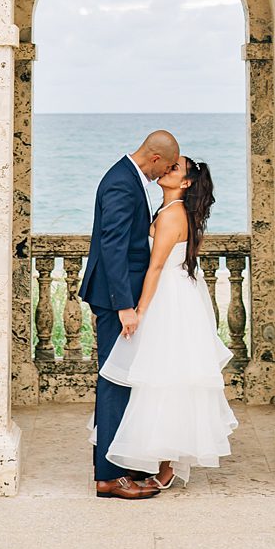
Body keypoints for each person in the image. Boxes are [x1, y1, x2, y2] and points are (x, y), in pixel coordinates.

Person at [97, 153, 237, 488]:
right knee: (161, 376)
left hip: (167, 298)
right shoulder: (169, 211)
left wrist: (139, 310)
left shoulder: (173, 215)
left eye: (176, 168)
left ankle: (167, 465)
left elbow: (156, 266)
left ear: (186, 183)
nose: (169, 168)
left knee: (165, 377)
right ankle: (156, 458)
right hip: (172, 294)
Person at [80, 129, 179, 500]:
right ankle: (108, 477)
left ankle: (118, 461)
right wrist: (125, 306)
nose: (164, 174)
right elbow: (114, 246)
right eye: (166, 167)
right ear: (155, 159)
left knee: (122, 378)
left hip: (116, 294)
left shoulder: (127, 176)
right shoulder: (122, 183)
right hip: (112, 298)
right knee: (114, 381)